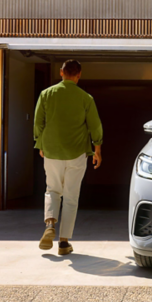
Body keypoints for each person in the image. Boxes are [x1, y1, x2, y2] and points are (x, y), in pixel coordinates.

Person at [34, 60, 103, 256]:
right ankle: (63, 243)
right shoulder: (86, 98)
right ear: (79, 75)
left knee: (52, 190)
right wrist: (97, 149)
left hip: (52, 151)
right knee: (71, 197)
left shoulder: (46, 94)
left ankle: (50, 224)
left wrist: (40, 143)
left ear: (61, 72)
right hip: (77, 153)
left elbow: (38, 122)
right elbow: (95, 126)